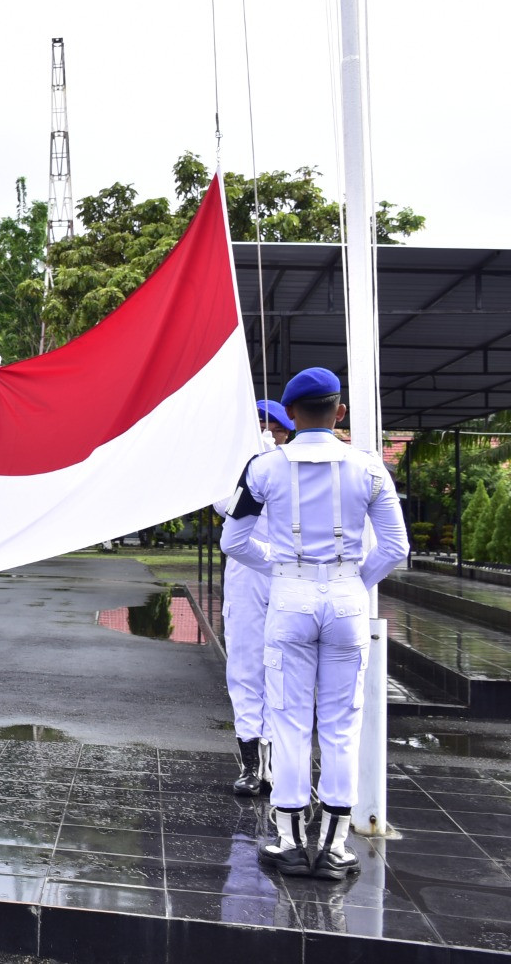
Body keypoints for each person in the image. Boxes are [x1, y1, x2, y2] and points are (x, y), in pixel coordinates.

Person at [221, 368, 407, 881]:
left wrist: (284, 569)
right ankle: (335, 847)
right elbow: (396, 547)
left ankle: (289, 840)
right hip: (348, 598)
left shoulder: (264, 469)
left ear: (292, 415)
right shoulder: (370, 469)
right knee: (343, 724)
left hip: (290, 598)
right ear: (339, 412)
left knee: (289, 719)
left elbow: (232, 542)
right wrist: (350, 580)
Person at [216, 400, 295, 797]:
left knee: (283, 667)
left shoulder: (297, 466)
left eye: (273, 427)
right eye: (258, 426)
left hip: (285, 569)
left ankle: (277, 762)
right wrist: (247, 469)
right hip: (247, 568)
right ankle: (251, 765)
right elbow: (223, 508)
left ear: (285, 432)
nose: (267, 432)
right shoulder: (231, 469)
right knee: (246, 666)